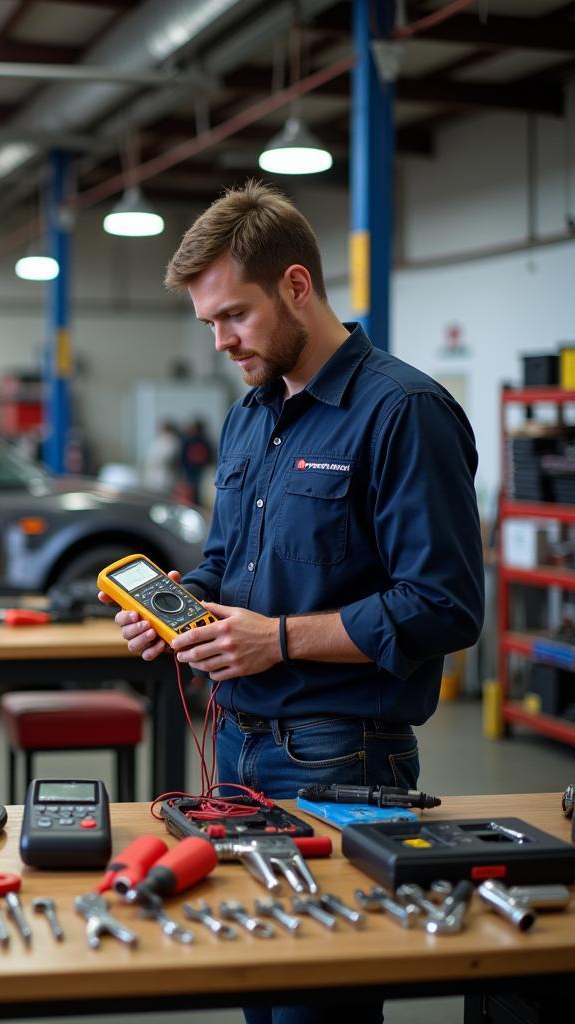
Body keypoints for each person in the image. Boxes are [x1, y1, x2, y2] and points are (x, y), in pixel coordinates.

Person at [104, 181, 483, 1024]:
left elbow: (445, 605)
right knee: (262, 993)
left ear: (298, 286)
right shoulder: (251, 415)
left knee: (318, 1009)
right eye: (208, 323)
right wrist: (177, 609)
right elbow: (222, 565)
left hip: (339, 761)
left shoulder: (403, 412)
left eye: (234, 316)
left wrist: (275, 640)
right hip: (234, 750)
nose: (220, 341)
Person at [178, 417, 214, 504]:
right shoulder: (204, 441)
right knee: (194, 487)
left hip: (194, 469)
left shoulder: (189, 440)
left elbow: (182, 456)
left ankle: (193, 502)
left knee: (194, 487)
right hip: (195, 469)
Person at [142, 419, 181, 495]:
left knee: (162, 495)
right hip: (154, 474)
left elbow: (167, 458)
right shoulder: (159, 440)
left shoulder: (171, 440)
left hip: (163, 475)